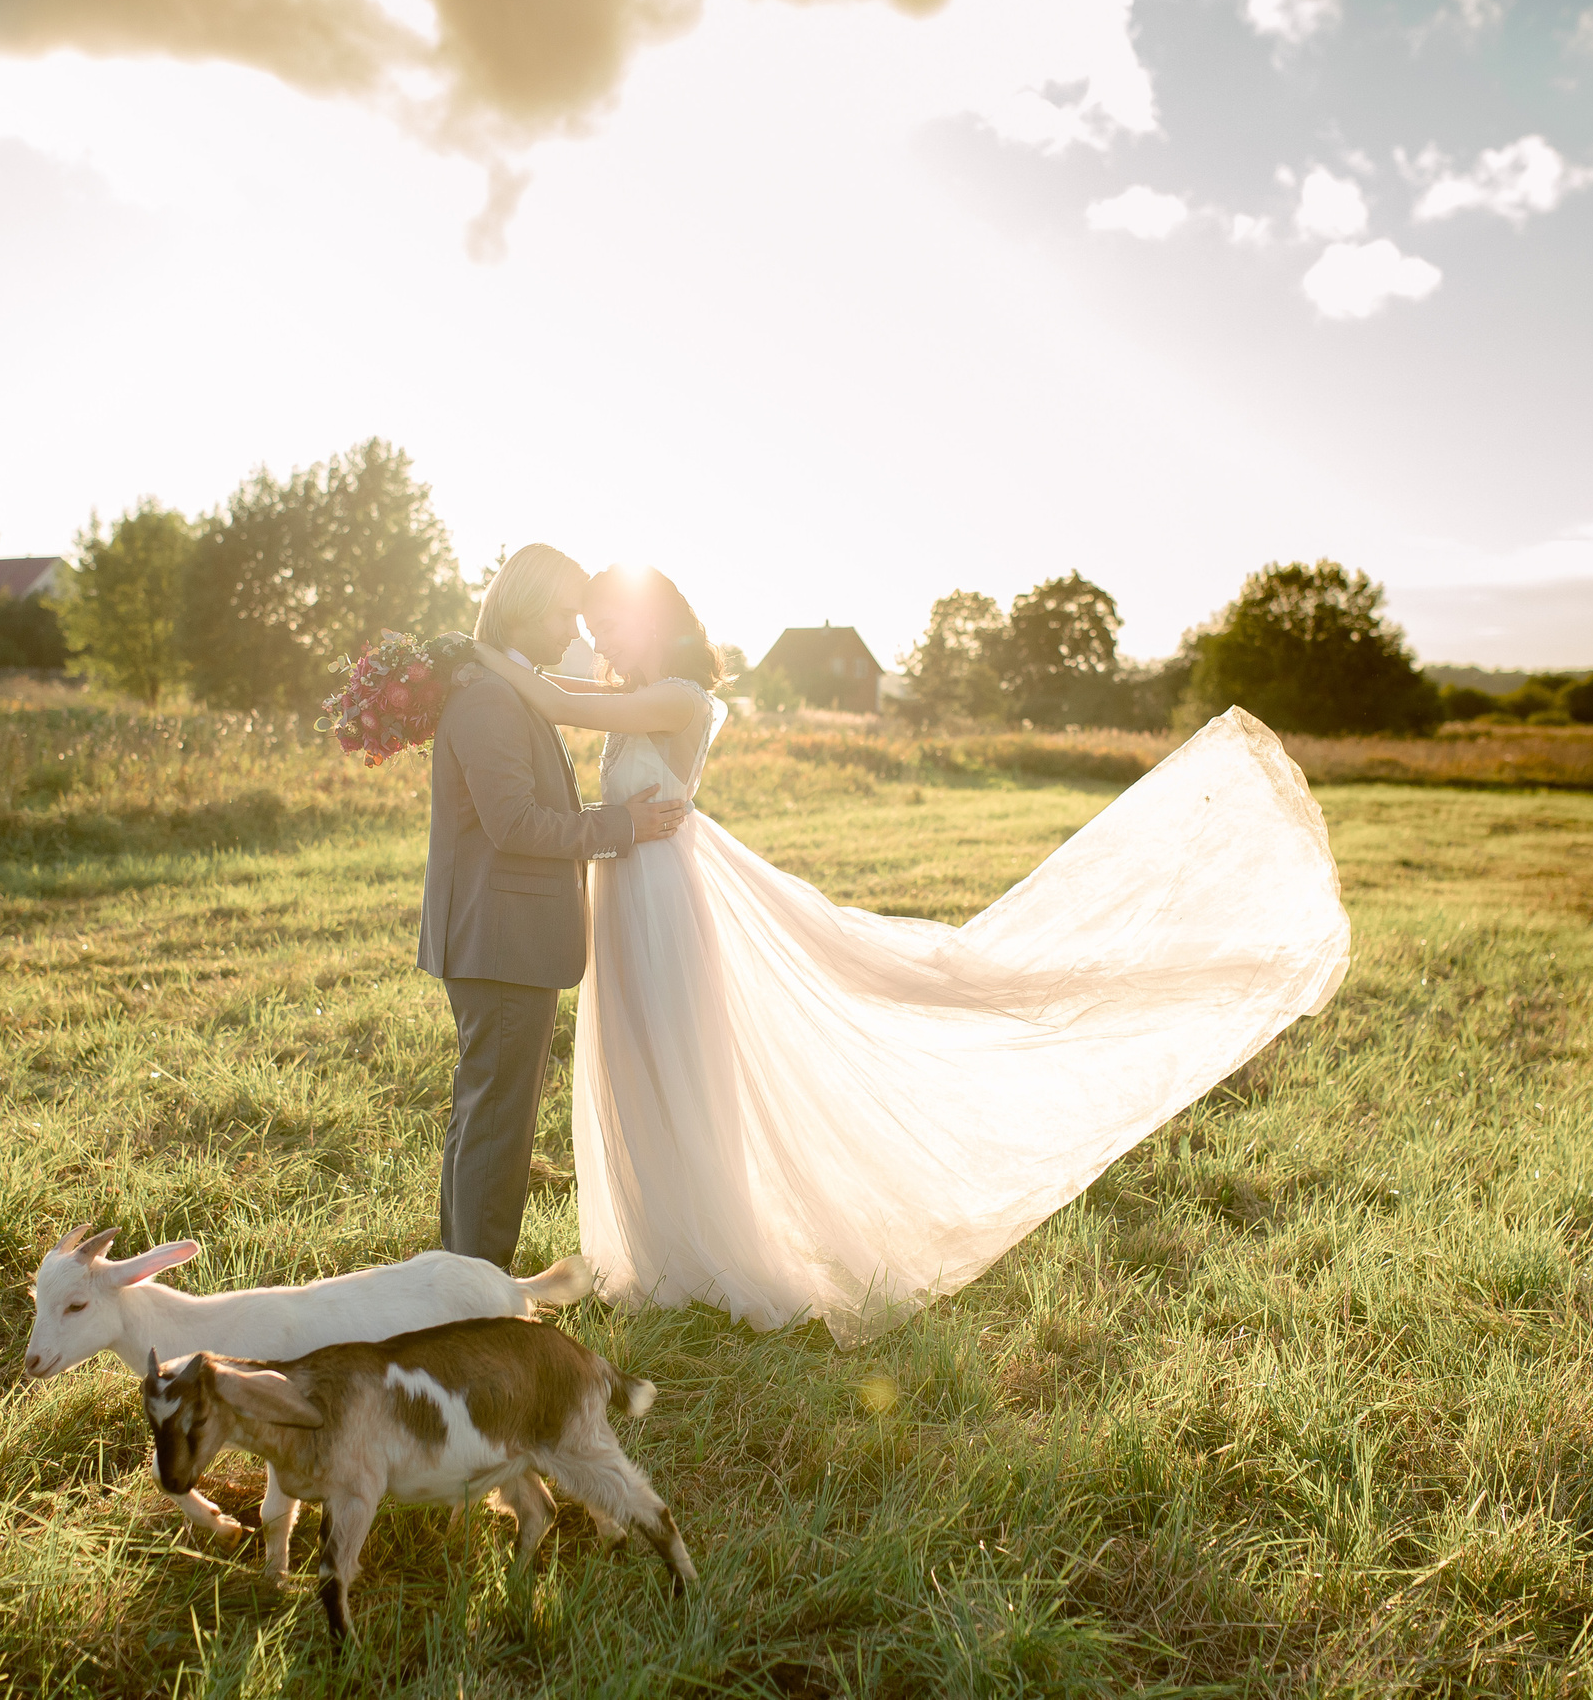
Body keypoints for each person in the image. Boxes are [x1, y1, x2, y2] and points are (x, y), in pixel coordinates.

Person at [462, 564, 1353, 1343]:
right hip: (626, 898)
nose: (595, 634)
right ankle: (656, 1254)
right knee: (638, 1065)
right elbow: (573, 704)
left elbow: (561, 701)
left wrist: (464, 652)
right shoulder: (640, 694)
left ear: (653, 619)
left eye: (610, 618)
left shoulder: (678, 698)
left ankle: (705, 1257)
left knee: (678, 1066)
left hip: (661, 905)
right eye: (590, 622)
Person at [418, 543, 683, 1272]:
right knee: (498, 1123)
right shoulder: (489, 697)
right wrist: (621, 825)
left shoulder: (503, 687)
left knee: (487, 1114)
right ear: (524, 606)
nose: (572, 630)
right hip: (499, 940)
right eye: (564, 612)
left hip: (499, 938)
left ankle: (462, 1275)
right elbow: (518, 825)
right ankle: (477, 1284)